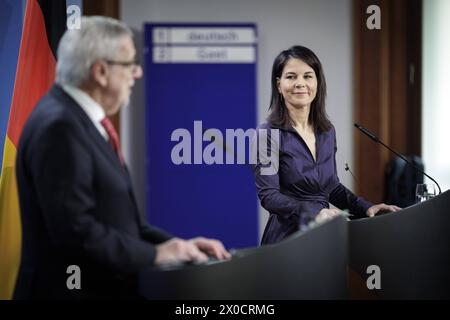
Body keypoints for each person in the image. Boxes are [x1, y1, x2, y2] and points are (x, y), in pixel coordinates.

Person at [14, 16, 230, 299]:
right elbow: (77, 234)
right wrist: (154, 255)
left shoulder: (82, 121)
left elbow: (123, 224)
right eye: (129, 64)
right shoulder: (60, 128)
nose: (137, 73)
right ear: (101, 72)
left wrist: (179, 246)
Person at [253, 45, 401, 245]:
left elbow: (331, 188)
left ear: (317, 82)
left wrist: (366, 208)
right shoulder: (266, 134)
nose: (300, 83)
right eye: (291, 77)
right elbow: (269, 196)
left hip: (325, 238)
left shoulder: (327, 131)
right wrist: (315, 212)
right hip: (287, 242)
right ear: (279, 85)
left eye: (307, 76)